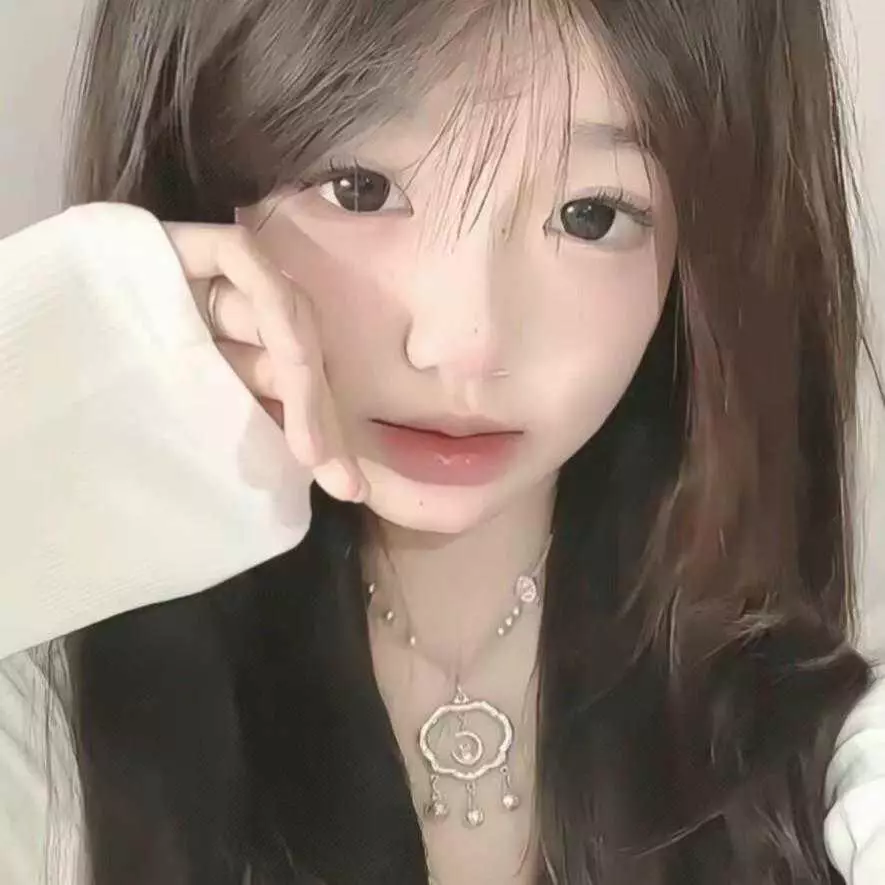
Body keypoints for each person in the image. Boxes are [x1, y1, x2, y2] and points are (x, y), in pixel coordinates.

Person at [0, 0, 883, 883]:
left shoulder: (830, 748)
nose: (465, 342)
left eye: (590, 215)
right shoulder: (46, 718)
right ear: (196, 170)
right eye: (359, 187)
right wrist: (73, 341)